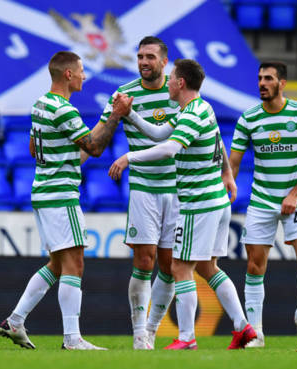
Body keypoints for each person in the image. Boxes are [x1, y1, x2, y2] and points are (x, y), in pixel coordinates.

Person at [109, 58, 256, 350]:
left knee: (179, 267)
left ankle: (187, 337)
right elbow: (162, 133)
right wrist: (132, 116)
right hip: (215, 200)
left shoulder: (190, 114)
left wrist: (129, 158)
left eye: (172, 76)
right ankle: (243, 327)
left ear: (181, 83)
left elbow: (169, 148)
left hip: (198, 202)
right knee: (208, 267)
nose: (168, 80)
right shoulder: (199, 108)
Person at [0, 50, 129, 350]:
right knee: (75, 263)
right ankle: (72, 339)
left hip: (43, 191)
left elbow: (36, 149)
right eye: (81, 70)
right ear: (68, 74)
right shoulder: (65, 111)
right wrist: (116, 116)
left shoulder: (42, 105)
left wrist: (104, 118)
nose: (85, 75)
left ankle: (15, 321)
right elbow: (95, 148)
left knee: (57, 264)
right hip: (60, 195)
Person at [229, 61, 297, 348]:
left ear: (282, 83)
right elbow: (233, 163)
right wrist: (225, 192)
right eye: (259, 78)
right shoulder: (249, 118)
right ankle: (256, 333)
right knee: (255, 267)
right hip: (261, 200)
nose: (262, 83)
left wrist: (294, 194)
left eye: (268, 78)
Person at [98, 36, 180, 350]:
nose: (144, 62)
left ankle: (152, 327)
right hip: (144, 189)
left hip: (175, 189)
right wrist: (71, 161)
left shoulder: (176, 93)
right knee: (144, 262)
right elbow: (100, 132)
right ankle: (139, 334)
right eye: (140, 57)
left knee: (170, 266)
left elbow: (167, 138)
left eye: (150, 57)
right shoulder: (124, 95)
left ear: (163, 61)